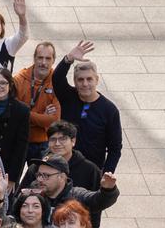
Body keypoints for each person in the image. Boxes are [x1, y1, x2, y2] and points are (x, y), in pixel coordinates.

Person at [53, 40, 123, 172]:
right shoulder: (68, 96)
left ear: (97, 80)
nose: (85, 84)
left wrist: (105, 174)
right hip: (63, 168)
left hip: (91, 171)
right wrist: (68, 59)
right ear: (74, 81)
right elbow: (57, 78)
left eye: (89, 79)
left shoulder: (109, 110)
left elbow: (115, 148)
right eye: (80, 79)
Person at [29, 155, 120, 228]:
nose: (40, 179)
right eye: (39, 175)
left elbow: (98, 200)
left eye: (46, 175)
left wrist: (108, 190)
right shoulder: (34, 193)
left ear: (62, 177)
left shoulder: (77, 196)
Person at [13, 42, 61, 161]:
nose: (43, 63)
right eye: (40, 58)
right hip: (19, 138)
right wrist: (41, 117)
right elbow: (13, 112)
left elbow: (54, 120)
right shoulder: (19, 79)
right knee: (13, 178)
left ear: (53, 60)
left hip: (44, 142)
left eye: (48, 58)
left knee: (42, 179)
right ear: (34, 58)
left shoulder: (58, 82)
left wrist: (24, 114)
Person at [25, 120, 101, 191]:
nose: (57, 144)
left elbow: (98, 200)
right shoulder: (37, 167)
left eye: (63, 139)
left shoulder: (90, 169)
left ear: (73, 141)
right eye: (53, 139)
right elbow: (21, 196)